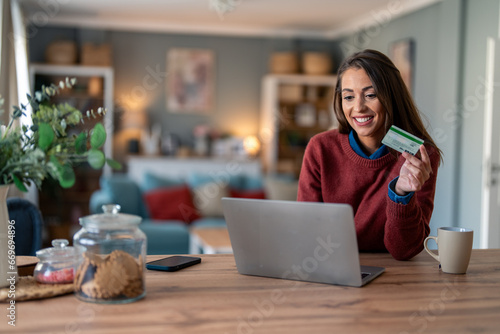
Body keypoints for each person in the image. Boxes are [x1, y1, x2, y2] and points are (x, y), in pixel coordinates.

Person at [297, 49, 442, 261]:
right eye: (348, 96)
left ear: (391, 96)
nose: (358, 107)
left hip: (394, 277)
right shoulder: (320, 148)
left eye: (370, 95)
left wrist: (401, 192)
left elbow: (405, 250)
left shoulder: (420, 155)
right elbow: (306, 230)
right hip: (330, 265)